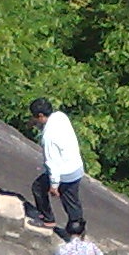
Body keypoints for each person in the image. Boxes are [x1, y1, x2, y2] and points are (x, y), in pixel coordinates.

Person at [29, 99, 86, 231]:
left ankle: (51, 221)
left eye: (35, 117)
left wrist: (54, 186)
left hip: (64, 173)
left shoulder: (48, 137)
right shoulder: (61, 116)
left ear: (41, 116)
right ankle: (78, 228)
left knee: (39, 189)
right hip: (76, 166)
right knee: (72, 201)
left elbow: (52, 163)